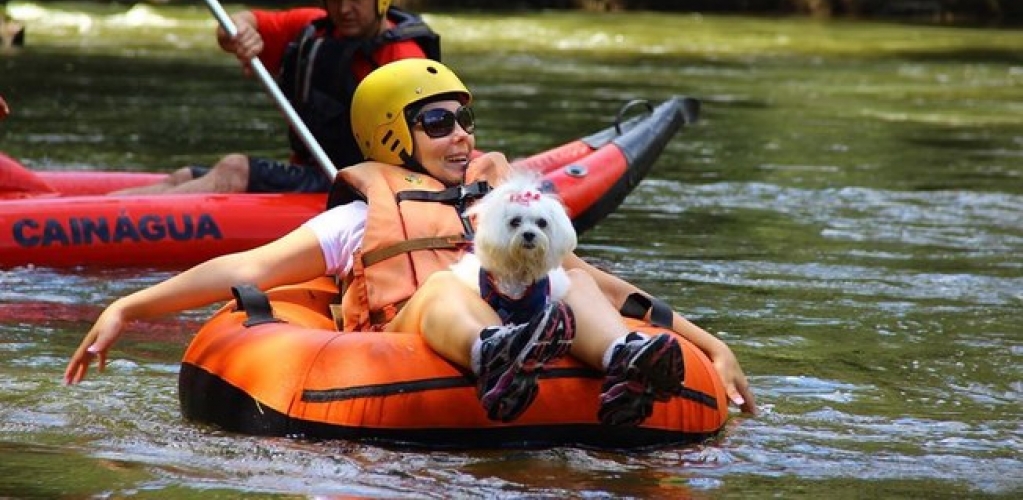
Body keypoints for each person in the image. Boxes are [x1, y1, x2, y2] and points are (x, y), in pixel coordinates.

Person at [68, 59, 756, 425]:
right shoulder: (353, 222)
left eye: (465, 119)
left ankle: (623, 360)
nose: (461, 135)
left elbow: (597, 281)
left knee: (565, 279)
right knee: (441, 285)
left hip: (529, 331)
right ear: (393, 137)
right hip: (409, 338)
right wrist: (129, 307)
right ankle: (492, 354)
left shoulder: (502, 207)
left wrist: (710, 345)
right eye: (437, 122)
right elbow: (248, 267)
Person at [113, 0, 439, 195]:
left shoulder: (404, 59)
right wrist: (239, 34)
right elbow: (239, 23)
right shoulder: (313, 29)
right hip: (314, 171)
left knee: (235, 168)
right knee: (183, 175)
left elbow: (427, 144)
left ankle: (116, 224)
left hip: (357, 187)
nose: (344, 8)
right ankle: (100, 213)